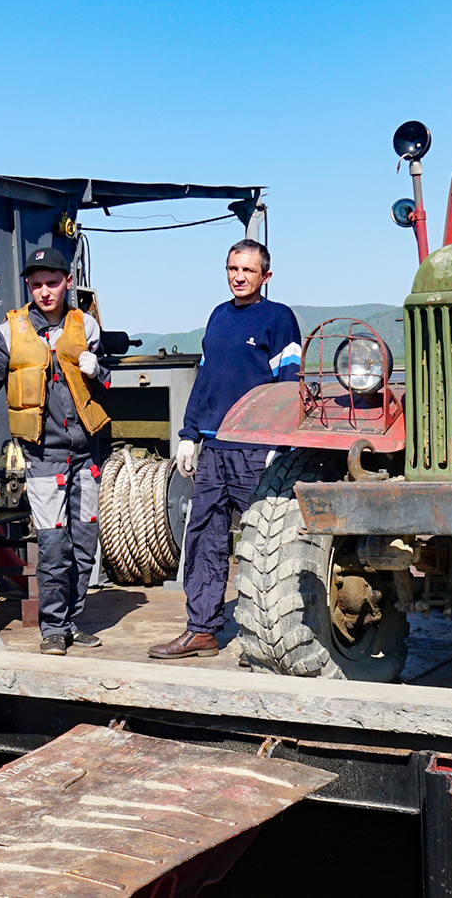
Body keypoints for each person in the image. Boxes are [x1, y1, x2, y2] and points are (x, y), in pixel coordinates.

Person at [0, 247, 111, 655]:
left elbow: (108, 384)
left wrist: (99, 370)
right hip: (43, 456)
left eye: (52, 282)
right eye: (36, 285)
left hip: (87, 453)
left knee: (85, 541)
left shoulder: (85, 325)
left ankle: (72, 620)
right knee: (53, 543)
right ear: (28, 287)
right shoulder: (9, 331)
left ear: (67, 282)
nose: (45, 291)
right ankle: (53, 628)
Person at [149, 239, 301, 660]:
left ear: (265, 277)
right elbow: (206, 379)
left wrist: (279, 444)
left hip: (255, 449)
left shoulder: (279, 319)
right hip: (214, 447)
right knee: (204, 538)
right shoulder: (218, 316)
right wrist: (189, 434)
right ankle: (201, 629)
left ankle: (268, 638)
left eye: (248, 271)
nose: (238, 276)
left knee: (263, 541)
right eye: (233, 268)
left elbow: (289, 384)